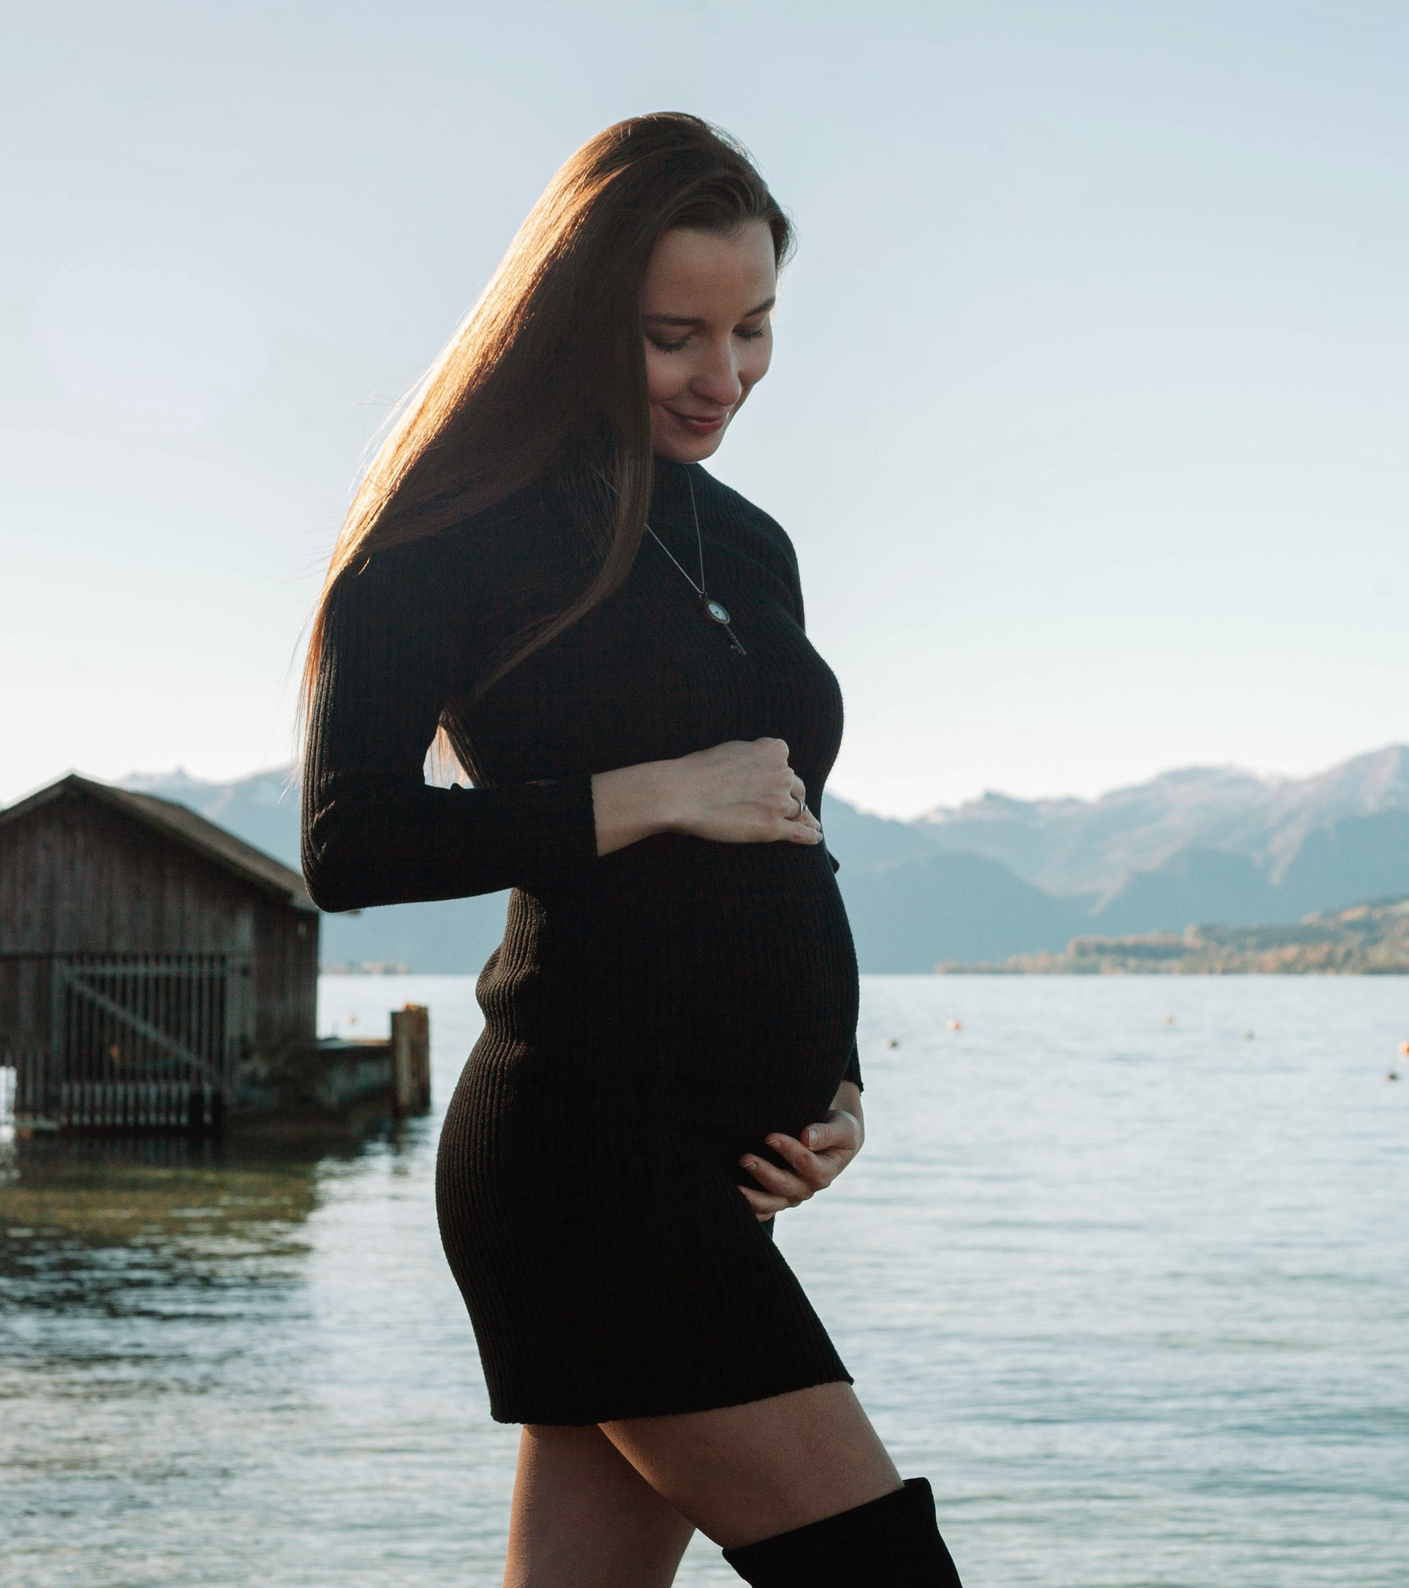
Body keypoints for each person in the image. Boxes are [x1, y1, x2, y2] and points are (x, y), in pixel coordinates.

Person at [299, 114, 960, 1585]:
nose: (722, 377)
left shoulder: (751, 544)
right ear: (578, 318)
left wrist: (835, 1081)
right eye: (675, 336)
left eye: (755, 329)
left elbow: (790, 838)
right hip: (586, 1157)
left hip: (716, 1167)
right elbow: (350, 845)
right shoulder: (443, 535)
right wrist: (648, 791)